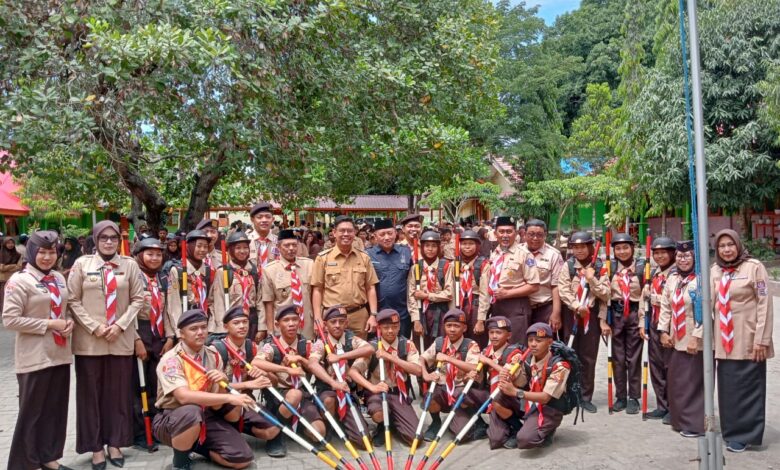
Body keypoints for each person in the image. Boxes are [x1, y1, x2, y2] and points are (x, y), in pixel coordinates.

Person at [68, 220, 145, 469]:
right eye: (103, 238)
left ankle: (115, 443)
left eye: (113, 237)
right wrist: (95, 326)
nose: (109, 242)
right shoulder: (82, 265)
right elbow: (72, 299)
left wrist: (120, 325)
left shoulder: (129, 265)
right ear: (96, 240)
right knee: (90, 396)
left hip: (120, 340)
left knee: (118, 395)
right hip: (90, 342)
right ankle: (95, 447)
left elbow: (138, 299)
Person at [3, 231, 75, 470]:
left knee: (54, 411)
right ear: (32, 252)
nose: (46, 257)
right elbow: (10, 320)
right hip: (34, 357)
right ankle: (24, 464)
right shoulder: (19, 281)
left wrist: (68, 322)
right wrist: (49, 324)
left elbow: (64, 309)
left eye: (51, 252)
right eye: (42, 252)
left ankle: (48, 457)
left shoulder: (58, 278)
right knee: (31, 415)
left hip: (60, 354)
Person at [153, 309, 256, 470]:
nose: (200, 332)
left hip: (205, 414)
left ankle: (196, 445)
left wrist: (222, 382)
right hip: (174, 416)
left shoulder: (213, 355)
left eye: (203, 327)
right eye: (193, 329)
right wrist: (229, 397)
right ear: (181, 333)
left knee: (242, 459)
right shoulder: (172, 359)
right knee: (191, 411)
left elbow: (215, 405)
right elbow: (183, 397)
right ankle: (180, 462)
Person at [711, 229, 774, 452]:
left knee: (749, 388)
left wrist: (762, 339)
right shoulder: (715, 271)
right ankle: (731, 432)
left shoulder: (754, 268)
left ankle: (746, 434)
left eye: (730, 244)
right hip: (724, 341)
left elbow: (764, 302)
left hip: (749, 340)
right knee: (728, 389)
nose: (727, 249)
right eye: (722, 246)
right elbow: (709, 303)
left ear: (738, 245)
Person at [254, 304, 323, 457]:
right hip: (280, 395)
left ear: (300, 322)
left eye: (294, 319)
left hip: (303, 393)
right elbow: (255, 363)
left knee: (319, 433)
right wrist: (287, 369)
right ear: (278, 325)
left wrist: (300, 359)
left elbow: (315, 364)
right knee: (293, 395)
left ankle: (296, 426)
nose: (291, 324)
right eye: (286, 320)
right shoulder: (271, 346)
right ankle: (275, 436)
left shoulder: (307, 344)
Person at [350, 308, 422, 446]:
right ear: (379, 328)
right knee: (378, 413)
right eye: (386, 327)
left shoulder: (406, 345)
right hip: (377, 392)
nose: (390, 331)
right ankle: (382, 426)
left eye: (394, 327)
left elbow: (418, 371)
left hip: (398, 393)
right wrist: (372, 387)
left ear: (399, 326)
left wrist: (391, 357)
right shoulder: (371, 346)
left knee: (415, 439)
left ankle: (395, 421)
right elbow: (353, 371)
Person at [557, 231, 609, 413]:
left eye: (582, 247)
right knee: (570, 355)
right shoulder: (569, 266)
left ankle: (586, 397)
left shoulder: (600, 266)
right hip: (572, 313)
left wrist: (591, 278)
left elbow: (605, 293)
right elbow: (563, 289)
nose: (579, 251)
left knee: (588, 357)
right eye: (575, 247)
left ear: (590, 247)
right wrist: (576, 305)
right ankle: (570, 395)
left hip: (591, 317)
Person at [307, 306, 374, 448]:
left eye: (341, 321)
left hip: (347, 393)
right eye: (333, 322)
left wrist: (340, 357)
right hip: (328, 390)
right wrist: (333, 383)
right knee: (329, 400)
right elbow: (312, 364)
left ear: (346, 323)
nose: (337, 325)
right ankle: (329, 426)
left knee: (364, 442)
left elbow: (369, 349)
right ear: (325, 325)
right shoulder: (321, 342)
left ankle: (345, 422)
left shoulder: (351, 339)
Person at [657, 241, 705, 438]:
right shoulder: (673, 279)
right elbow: (665, 307)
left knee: (694, 382)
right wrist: (663, 331)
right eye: (679, 256)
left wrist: (697, 336)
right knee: (677, 381)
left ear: (695, 258)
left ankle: (695, 424)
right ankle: (680, 420)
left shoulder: (702, 279)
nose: (683, 260)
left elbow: (707, 312)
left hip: (696, 339)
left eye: (687, 256)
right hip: (676, 338)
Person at [131, 237, 175, 451]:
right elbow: (126, 312)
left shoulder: (163, 278)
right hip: (140, 332)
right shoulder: (133, 277)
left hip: (160, 335)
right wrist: (136, 340)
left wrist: (169, 337)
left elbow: (168, 310)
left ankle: (157, 428)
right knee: (139, 388)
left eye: (158, 254)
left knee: (157, 385)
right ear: (140, 255)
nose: (155, 258)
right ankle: (140, 432)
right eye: (150, 254)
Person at [498, 322, 571, 449]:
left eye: (538, 340)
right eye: (530, 340)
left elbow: (545, 398)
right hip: (531, 403)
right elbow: (521, 382)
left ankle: (548, 428)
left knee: (525, 440)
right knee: (498, 399)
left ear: (549, 342)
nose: (533, 344)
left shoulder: (559, 366)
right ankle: (519, 427)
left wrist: (515, 392)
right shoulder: (526, 359)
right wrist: (510, 376)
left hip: (549, 407)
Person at [214, 307, 279, 444]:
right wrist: (247, 384)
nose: (242, 326)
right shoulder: (216, 350)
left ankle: (240, 427)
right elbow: (210, 387)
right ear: (226, 327)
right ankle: (225, 428)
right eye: (236, 323)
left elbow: (273, 382)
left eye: (245, 322)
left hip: (245, 402)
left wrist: (264, 374)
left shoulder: (253, 348)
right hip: (221, 404)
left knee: (273, 430)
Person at [419, 308, 484, 442]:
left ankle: (474, 420)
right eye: (449, 326)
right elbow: (422, 358)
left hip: (461, 391)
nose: (452, 329)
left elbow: (474, 367)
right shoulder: (439, 342)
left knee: (462, 435)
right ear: (444, 327)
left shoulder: (470, 345)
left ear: (464, 328)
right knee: (429, 396)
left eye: (456, 326)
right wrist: (426, 374)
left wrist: (449, 359)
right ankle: (436, 422)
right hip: (442, 388)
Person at [311, 216, 379, 339]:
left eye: (350, 231)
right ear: (334, 233)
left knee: (360, 354)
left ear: (355, 233)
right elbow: (317, 290)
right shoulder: (323, 258)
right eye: (342, 231)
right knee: (333, 354)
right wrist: (317, 318)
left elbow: (371, 288)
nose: (346, 234)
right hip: (332, 317)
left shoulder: (364, 258)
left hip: (359, 316)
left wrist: (373, 315)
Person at [479, 216, 540, 346]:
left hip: (516, 307)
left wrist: (507, 293)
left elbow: (534, 286)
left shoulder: (524, 254)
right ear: (495, 234)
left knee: (516, 347)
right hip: (497, 306)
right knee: (498, 346)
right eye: (501, 232)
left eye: (509, 231)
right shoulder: (495, 253)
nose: (505, 235)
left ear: (516, 233)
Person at [604, 233, 644, 415]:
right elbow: (603, 296)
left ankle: (634, 397)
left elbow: (646, 295)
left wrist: (644, 321)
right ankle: (620, 396)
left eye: (626, 247)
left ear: (632, 248)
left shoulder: (643, 267)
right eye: (618, 248)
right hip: (616, 314)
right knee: (617, 357)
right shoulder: (610, 268)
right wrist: (603, 320)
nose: (622, 251)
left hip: (635, 313)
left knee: (633, 357)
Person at [474, 316, 525, 449]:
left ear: (509, 335)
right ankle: (490, 423)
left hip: (512, 398)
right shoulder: (486, 351)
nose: (494, 336)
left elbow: (508, 374)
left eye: (499, 332)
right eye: (491, 332)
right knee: (496, 441)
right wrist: (472, 374)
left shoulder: (515, 353)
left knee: (498, 401)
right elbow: (481, 379)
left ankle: (518, 427)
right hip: (493, 397)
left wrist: (489, 361)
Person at [641, 236, 676, 423]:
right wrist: (642, 323)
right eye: (656, 253)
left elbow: (670, 299)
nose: (660, 256)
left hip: (670, 326)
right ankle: (662, 405)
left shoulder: (676, 273)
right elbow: (643, 300)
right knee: (656, 366)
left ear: (672, 253)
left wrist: (652, 297)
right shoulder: (654, 272)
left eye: (664, 252)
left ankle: (673, 407)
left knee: (670, 367)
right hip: (653, 323)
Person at [262, 229, 315, 340]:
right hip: (284, 326)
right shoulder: (270, 270)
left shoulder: (309, 265)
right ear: (279, 247)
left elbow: (316, 296)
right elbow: (269, 303)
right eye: (287, 245)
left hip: (307, 324)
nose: (291, 248)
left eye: (294, 245)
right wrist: (270, 332)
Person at [211, 232, 263, 343]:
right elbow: (218, 302)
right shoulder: (223, 272)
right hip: (232, 321)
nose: (242, 251)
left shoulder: (254, 271)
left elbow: (259, 300)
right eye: (238, 248)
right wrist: (222, 328)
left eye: (245, 248)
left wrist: (262, 327)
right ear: (231, 250)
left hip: (251, 321)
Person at [408, 230, 454, 348]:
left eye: (434, 246)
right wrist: (416, 320)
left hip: (440, 311)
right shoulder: (416, 267)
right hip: (421, 311)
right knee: (421, 345)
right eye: (427, 246)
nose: (430, 249)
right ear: (422, 247)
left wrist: (428, 296)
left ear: (439, 247)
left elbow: (449, 293)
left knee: (440, 344)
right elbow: (411, 295)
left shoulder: (446, 266)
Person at [368, 219, 413, 338]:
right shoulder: (367, 255)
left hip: (402, 313)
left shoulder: (406, 252)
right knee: (378, 349)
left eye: (390, 233)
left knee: (403, 347)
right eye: (382, 234)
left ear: (395, 234)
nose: (387, 237)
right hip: (378, 313)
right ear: (375, 236)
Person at [167, 230, 217, 334]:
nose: (202, 250)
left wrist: (211, 327)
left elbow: (211, 301)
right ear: (189, 246)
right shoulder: (178, 270)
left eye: (205, 246)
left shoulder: (209, 271)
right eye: (199, 246)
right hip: (186, 324)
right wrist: (179, 332)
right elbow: (174, 305)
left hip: (205, 325)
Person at [523, 220, 564, 330]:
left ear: (545, 235)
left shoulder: (553, 255)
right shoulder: (517, 252)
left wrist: (556, 313)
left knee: (543, 342)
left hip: (544, 308)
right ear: (524, 234)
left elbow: (556, 286)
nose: (535, 238)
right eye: (531, 234)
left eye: (539, 235)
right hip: (521, 308)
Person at [455, 230, 490, 348]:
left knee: (476, 341)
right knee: (459, 340)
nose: (467, 247)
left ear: (477, 245)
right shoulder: (455, 264)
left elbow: (485, 294)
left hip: (476, 307)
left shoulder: (483, 264)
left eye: (471, 243)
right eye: (464, 244)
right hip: (459, 305)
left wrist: (481, 320)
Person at [247, 201, 280, 280]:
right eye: (259, 217)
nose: (264, 220)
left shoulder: (280, 242)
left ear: (273, 219)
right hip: (251, 286)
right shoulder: (245, 242)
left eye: (268, 217)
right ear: (252, 219)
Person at [0, 236, 23, 311]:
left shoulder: (17, 254)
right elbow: (1, 268)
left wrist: (7, 267)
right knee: (3, 297)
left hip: (14, 279)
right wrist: (13, 265)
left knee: (14, 296)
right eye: (8, 243)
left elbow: (19, 267)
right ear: (4, 244)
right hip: (3, 280)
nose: (11, 245)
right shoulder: (1, 254)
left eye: (12, 243)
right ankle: (4, 312)